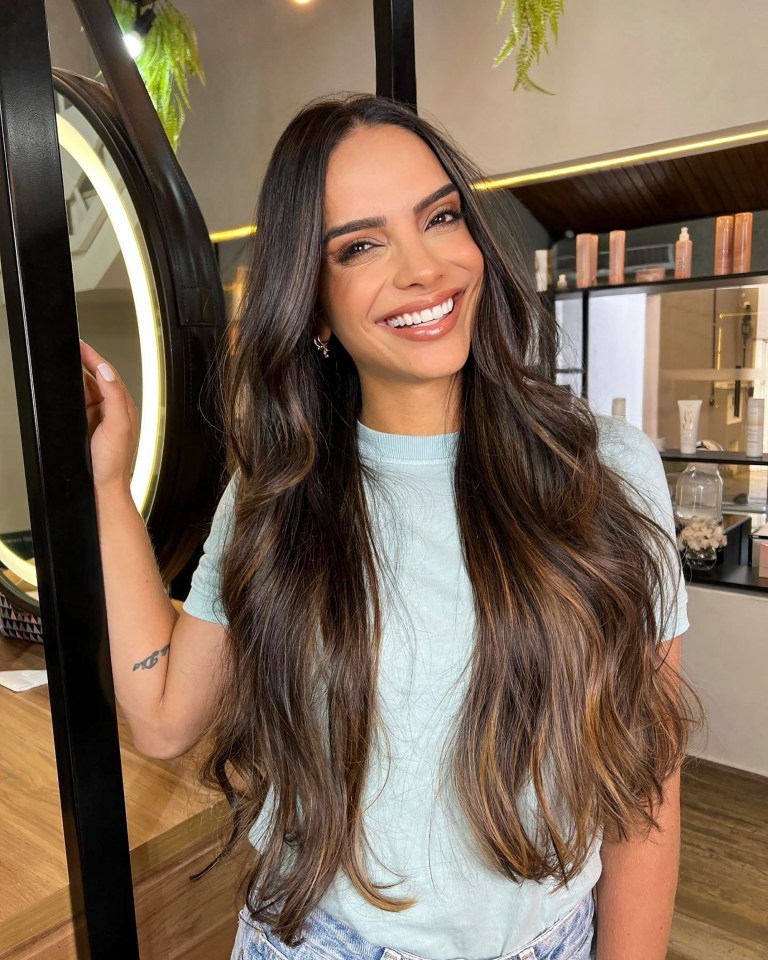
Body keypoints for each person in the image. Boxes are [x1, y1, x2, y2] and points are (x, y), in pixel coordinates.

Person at [79, 93, 701, 960]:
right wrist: (107, 484)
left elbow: (645, 790)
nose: (424, 268)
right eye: (361, 245)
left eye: (440, 217)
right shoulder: (279, 493)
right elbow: (161, 719)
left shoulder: (608, 472)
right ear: (315, 306)